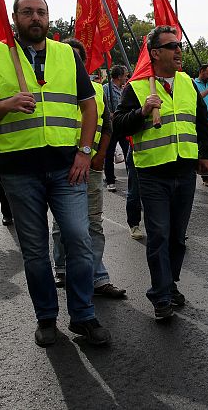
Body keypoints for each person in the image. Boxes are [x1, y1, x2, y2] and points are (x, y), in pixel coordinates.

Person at [0, 0, 111, 346]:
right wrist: (7, 104)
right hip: (19, 172)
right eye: (28, 12)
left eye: (42, 12)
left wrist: (84, 152)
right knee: (34, 251)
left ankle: (83, 316)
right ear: (15, 18)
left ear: (49, 18)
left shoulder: (66, 53)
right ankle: (46, 318)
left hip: (68, 168)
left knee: (79, 240)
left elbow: (89, 107)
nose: (36, 18)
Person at [113, 25, 208, 320]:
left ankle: (170, 284)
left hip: (185, 171)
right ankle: (160, 294)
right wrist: (142, 112)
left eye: (179, 45)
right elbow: (119, 125)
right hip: (153, 172)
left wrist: (207, 155)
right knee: (158, 234)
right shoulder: (136, 87)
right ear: (155, 53)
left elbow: (202, 122)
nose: (179, 50)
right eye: (172, 46)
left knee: (178, 237)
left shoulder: (186, 83)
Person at [51, 38, 126, 299]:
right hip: (61, 169)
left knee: (93, 223)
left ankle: (98, 277)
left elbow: (107, 125)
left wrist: (100, 155)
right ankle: (61, 268)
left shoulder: (96, 89)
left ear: (83, 62)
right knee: (64, 225)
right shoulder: (49, 87)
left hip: (91, 168)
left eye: (77, 58)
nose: (73, 62)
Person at [102, 64, 130, 191]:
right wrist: (110, 114)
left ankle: (132, 177)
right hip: (111, 127)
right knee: (109, 153)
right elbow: (102, 106)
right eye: (125, 75)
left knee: (128, 152)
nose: (126, 78)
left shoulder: (125, 89)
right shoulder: (106, 88)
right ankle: (110, 180)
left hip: (122, 126)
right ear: (119, 76)